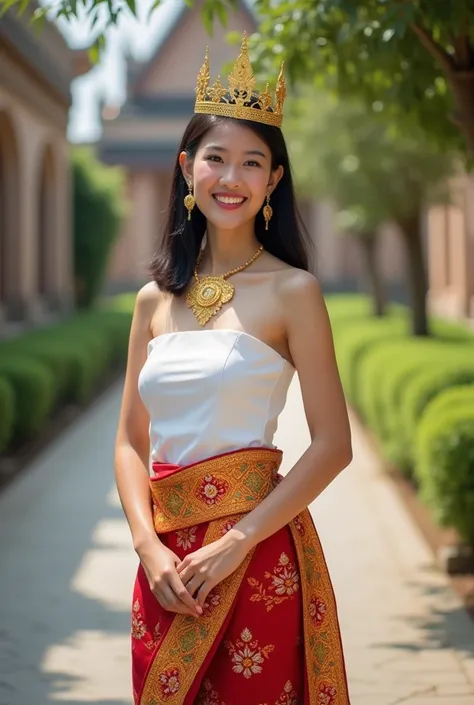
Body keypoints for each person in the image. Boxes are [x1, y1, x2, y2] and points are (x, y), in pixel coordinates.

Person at [115, 32, 352, 705]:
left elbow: (334, 445)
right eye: (217, 158)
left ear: (274, 180)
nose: (232, 178)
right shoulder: (152, 301)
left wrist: (235, 542)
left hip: (257, 555)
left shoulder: (294, 292)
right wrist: (147, 548)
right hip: (165, 570)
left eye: (253, 163)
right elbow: (130, 440)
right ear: (188, 167)